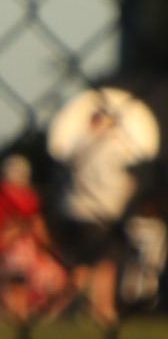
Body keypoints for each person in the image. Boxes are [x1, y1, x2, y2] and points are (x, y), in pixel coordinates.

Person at [47, 93, 145, 327]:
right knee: (100, 264)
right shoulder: (111, 147)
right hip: (99, 213)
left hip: (74, 210)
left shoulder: (78, 145)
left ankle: (91, 308)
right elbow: (116, 181)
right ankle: (99, 309)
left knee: (88, 263)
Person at [0, 151, 64, 321]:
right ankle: (29, 312)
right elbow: (39, 234)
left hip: (0, 260)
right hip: (5, 259)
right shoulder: (20, 199)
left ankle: (24, 310)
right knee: (46, 272)